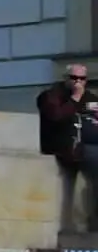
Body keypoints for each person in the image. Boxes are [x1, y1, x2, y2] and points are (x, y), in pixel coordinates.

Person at [37, 63, 90, 231]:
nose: (78, 82)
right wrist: (75, 99)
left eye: (82, 79)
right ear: (66, 78)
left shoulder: (89, 98)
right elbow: (56, 116)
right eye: (74, 78)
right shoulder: (51, 96)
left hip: (85, 148)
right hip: (61, 149)